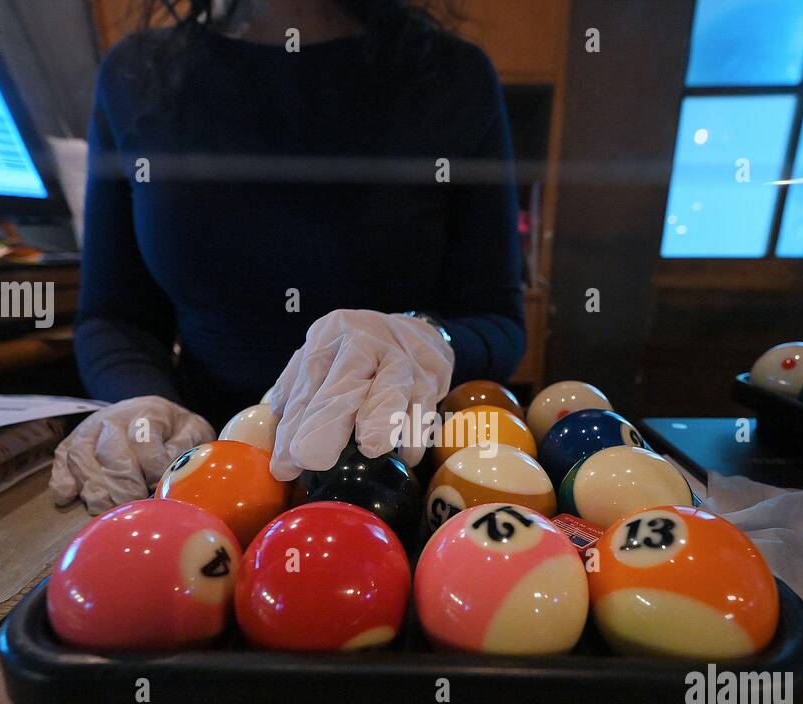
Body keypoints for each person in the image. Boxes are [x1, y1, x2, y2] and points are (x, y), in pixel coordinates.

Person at [50, 0, 524, 514]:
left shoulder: (454, 78)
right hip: (196, 472)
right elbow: (117, 317)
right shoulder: (134, 76)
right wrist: (140, 399)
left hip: (394, 475)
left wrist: (426, 337)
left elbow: (498, 320)